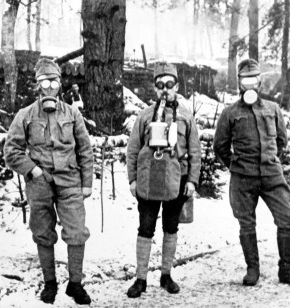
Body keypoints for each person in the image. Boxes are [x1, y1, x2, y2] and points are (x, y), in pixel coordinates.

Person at [4, 58, 94, 305]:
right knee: (43, 233)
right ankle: (50, 284)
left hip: (70, 180)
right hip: (40, 182)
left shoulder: (73, 114)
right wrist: (31, 171)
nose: (50, 87)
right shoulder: (25, 115)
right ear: (37, 85)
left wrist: (87, 182)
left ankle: (75, 284)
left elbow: (85, 149)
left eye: (54, 81)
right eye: (44, 81)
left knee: (76, 232)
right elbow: (11, 150)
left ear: (60, 84)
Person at [213, 58, 290, 289]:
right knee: (246, 223)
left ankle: (286, 269)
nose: (250, 85)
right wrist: (237, 166)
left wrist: (269, 159)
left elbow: (281, 140)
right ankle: (252, 269)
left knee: (286, 217)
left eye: (253, 79)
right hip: (243, 178)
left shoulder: (272, 109)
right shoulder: (230, 113)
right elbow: (220, 146)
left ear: (259, 82)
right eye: (245, 80)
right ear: (240, 83)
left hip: (271, 175)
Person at [126, 62, 201, 297]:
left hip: (176, 181)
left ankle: (166, 275)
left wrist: (191, 181)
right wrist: (132, 180)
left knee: (171, 227)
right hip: (148, 181)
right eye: (160, 85)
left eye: (169, 84)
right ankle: (140, 279)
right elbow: (132, 149)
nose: (165, 90)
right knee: (145, 228)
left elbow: (195, 152)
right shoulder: (145, 116)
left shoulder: (186, 117)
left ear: (177, 86)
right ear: (155, 88)